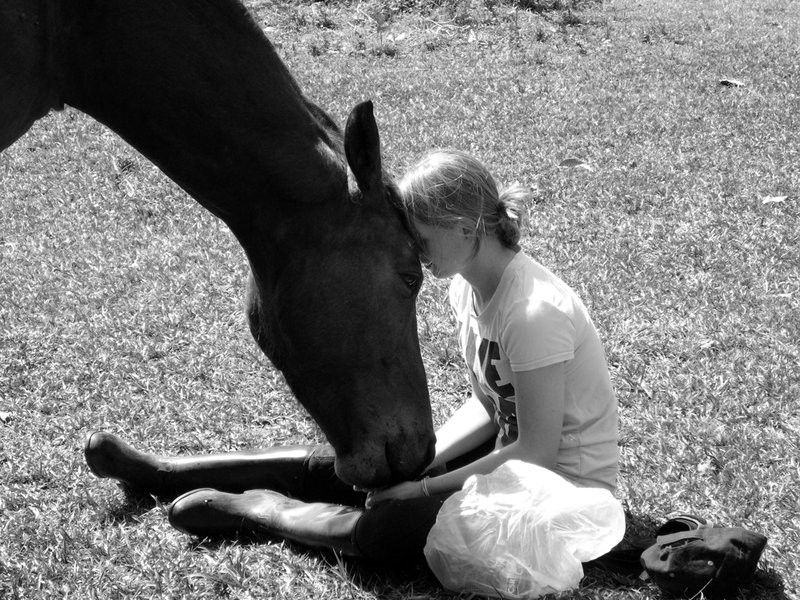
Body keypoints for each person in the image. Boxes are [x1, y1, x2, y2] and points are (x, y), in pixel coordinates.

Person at [84, 148, 618, 565]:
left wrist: (423, 488)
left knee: (401, 527)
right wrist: (423, 464)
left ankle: (264, 510)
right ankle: (163, 473)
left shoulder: (532, 314)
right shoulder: (468, 289)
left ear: (467, 227)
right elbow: (490, 405)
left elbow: (538, 454)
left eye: (421, 236)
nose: (414, 250)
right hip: (514, 469)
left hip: (564, 502)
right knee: (378, 464)